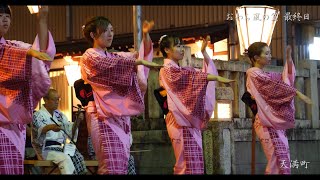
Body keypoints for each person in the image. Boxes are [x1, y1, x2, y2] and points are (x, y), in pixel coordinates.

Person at [80, 16, 161, 174]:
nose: (110, 35)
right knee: (111, 166)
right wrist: (136, 63)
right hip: (102, 114)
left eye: (112, 30)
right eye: (105, 31)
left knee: (121, 165)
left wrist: (145, 36)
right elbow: (113, 65)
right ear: (93, 35)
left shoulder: (115, 57)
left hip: (118, 115)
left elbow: (138, 57)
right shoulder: (89, 56)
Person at [159, 35, 234, 174]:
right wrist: (215, 77)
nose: (182, 49)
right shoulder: (167, 70)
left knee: (194, 163)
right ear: (167, 49)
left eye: (182, 46)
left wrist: (204, 53)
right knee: (184, 165)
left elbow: (200, 74)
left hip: (187, 120)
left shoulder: (182, 70)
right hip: (178, 121)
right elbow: (196, 78)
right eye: (178, 46)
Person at [0, 5, 55, 174]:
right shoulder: (14, 50)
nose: (4, 19)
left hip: (14, 124)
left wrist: (42, 20)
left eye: (7, 16)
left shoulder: (15, 47)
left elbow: (41, 54)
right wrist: (28, 54)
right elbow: (23, 53)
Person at [245, 42, 312, 174]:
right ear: (256, 57)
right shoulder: (253, 73)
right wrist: (297, 93)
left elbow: (284, 80)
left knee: (282, 159)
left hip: (273, 122)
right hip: (266, 123)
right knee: (276, 160)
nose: (270, 56)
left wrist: (288, 60)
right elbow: (276, 87)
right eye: (267, 53)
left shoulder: (265, 74)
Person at [32, 89, 87, 174]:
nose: (57, 102)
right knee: (64, 158)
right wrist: (50, 127)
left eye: (58, 99)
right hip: (46, 150)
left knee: (78, 157)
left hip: (62, 148)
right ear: (45, 100)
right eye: (54, 99)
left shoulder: (60, 115)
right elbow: (39, 130)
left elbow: (69, 131)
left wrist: (77, 121)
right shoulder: (38, 115)